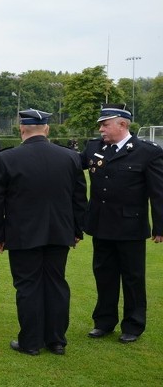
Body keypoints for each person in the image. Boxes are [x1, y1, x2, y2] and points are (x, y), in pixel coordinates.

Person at [0, 108, 87, 356]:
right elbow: (79, 199)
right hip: (60, 233)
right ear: (47, 129)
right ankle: (56, 340)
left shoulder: (7, 159)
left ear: (22, 129)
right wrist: (77, 230)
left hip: (23, 235)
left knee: (28, 286)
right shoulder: (70, 157)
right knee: (56, 284)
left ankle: (31, 342)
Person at [81, 103, 163, 343]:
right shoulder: (95, 147)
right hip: (101, 225)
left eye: (105, 125)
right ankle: (104, 322)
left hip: (130, 227)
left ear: (123, 124)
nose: (101, 130)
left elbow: (158, 192)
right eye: (101, 125)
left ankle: (133, 325)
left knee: (132, 278)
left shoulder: (147, 151)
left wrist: (160, 226)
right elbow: (72, 165)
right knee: (104, 275)